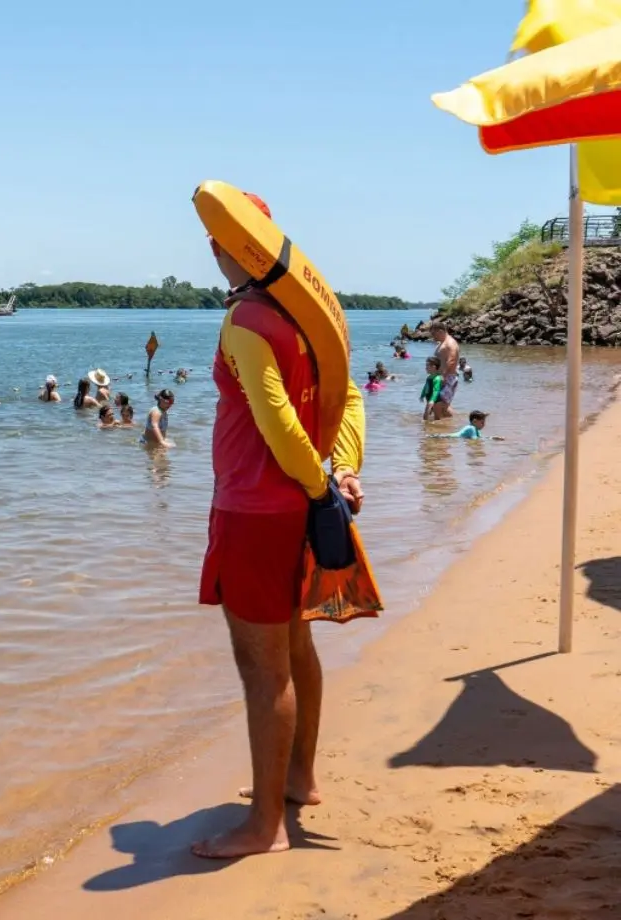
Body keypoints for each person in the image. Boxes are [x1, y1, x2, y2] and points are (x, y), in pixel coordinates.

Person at [195, 192, 367, 860]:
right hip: (302, 507)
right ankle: (300, 780)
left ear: (224, 248)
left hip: (254, 513)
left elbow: (278, 424)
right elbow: (347, 394)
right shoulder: (310, 311)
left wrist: (320, 481)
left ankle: (261, 826)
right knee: (295, 651)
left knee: (262, 672)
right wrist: (342, 470)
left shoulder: (244, 318)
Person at [431, 321, 461, 414]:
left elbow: (451, 360)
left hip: (448, 377)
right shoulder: (442, 343)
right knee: (436, 404)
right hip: (441, 377)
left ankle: (453, 423)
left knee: (442, 404)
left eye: (433, 333)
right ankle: (443, 424)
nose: (433, 336)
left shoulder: (450, 343)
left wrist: (443, 376)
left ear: (440, 331)